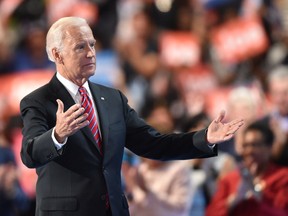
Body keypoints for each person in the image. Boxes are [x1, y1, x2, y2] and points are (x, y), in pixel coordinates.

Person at [19, 16, 244, 216]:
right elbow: (30, 154)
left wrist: (204, 138)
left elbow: (153, 144)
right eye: (80, 47)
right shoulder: (38, 101)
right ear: (57, 54)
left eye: (92, 44)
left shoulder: (113, 98)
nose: (90, 52)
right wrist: (57, 135)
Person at [205, 121, 288, 216]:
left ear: (269, 147)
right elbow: (211, 213)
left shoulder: (283, 178)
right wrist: (233, 200)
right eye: (245, 145)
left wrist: (259, 196)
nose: (249, 151)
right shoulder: (230, 179)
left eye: (255, 145)